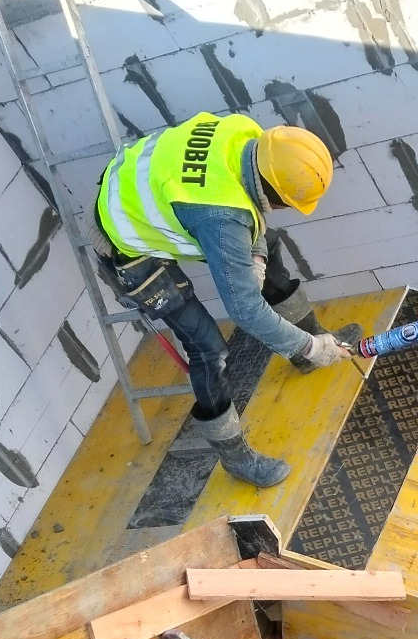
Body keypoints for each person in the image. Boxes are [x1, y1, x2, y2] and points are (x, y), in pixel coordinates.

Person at [94, 112, 351, 486]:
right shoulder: (220, 216)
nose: (280, 211)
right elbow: (244, 310)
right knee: (207, 347)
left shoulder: (246, 133)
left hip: (138, 186)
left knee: (271, 243)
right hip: (124, 241)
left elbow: (254, 211)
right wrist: (312, 346)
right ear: (271, 189)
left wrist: (258, 255)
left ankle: (307, 351)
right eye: (284, 204)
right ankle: (236, 458)